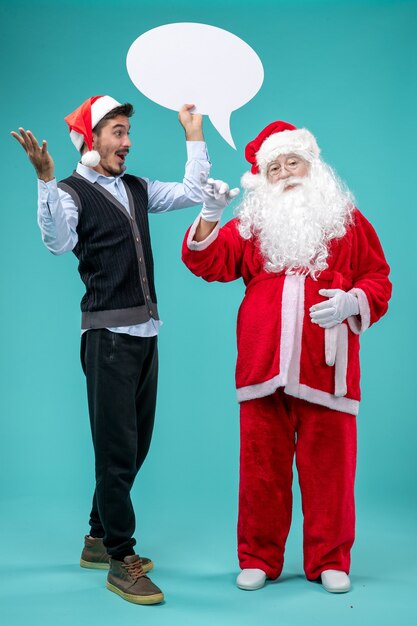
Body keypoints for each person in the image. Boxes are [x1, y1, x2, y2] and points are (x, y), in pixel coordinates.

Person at [11, 95, 210, 605]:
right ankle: (122, 559)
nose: (127, 142)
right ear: (91, 138)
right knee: (116, 451)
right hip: (107, 339)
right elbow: (57, 242)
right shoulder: (72, 192)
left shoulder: (137, 188)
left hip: (145, 334)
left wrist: (193, 132)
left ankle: (98, 537)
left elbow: (192, 191)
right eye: (117, 132)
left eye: (127, 132)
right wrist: (44, 181)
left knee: (136, 445)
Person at [182, 120, 391, 594]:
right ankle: (258, 556)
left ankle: (330, 559)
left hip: (327, 369)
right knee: (260, 471)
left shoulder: (346, 219)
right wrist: (211, 213)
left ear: (311, 164)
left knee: (330, 472)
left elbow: (379, 278)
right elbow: (207, 262)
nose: (284, 172)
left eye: (291, 161)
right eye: (273, 167)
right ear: (263, 177)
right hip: (263, 364)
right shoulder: (252, 225)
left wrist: (353, 300)